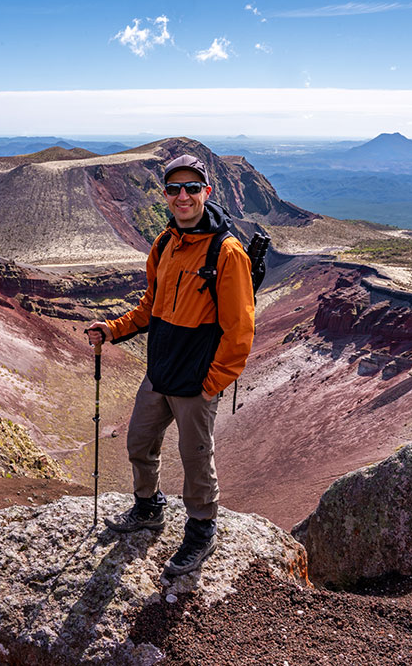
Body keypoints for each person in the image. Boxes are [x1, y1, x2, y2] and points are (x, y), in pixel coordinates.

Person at [86, 154, 255, 576]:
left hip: (195, 381)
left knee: (196, 458)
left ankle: (201, 529)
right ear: (165, 195)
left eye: (192, 188)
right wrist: (111, 329)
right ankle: (149, 507)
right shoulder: (164, 244)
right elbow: (149, 309)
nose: (183, 196)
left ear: (206, 193)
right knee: (139, 444)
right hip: (159, 373)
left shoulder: (227, 253)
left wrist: (211, 383)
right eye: (174, 189)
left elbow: (240, 330)